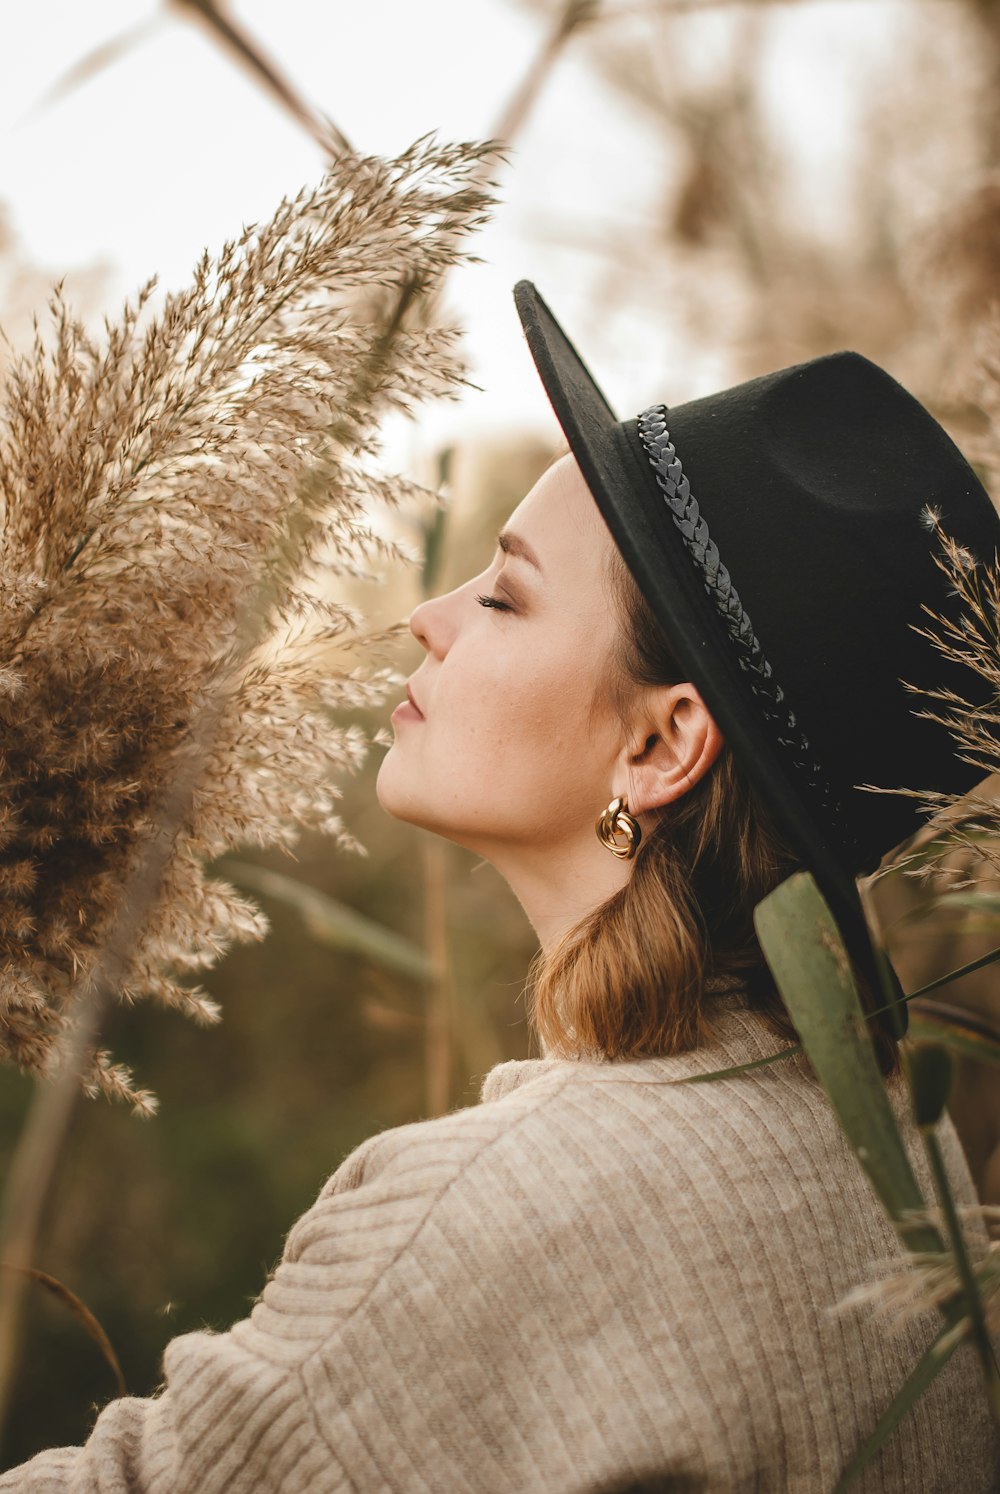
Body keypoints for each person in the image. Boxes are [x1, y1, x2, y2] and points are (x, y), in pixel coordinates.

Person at [2, 282, 998, 1492]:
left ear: (661, 747)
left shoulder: (497, 1214)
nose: (427, 617)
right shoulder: (908, 1164)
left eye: (506, 595)